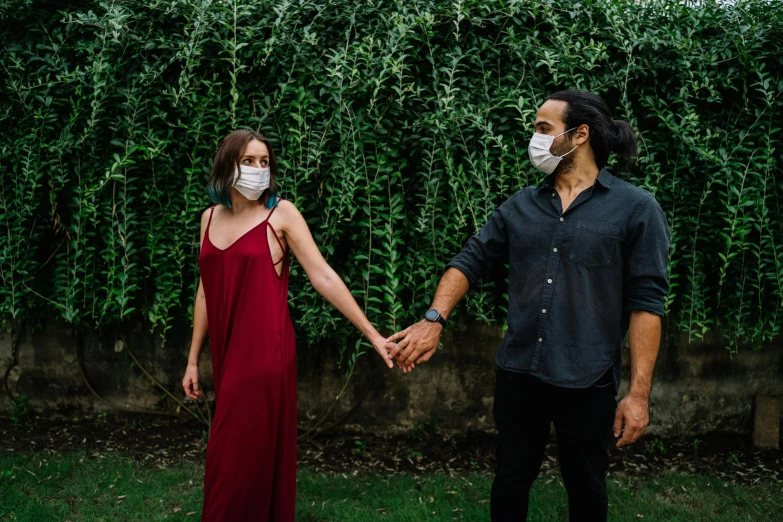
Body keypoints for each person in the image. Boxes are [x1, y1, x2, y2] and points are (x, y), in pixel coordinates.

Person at [389, 90, 670, 522]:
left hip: (588, 378)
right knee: (510, 481)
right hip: (520, 372)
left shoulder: (636, 209)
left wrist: (638, 394)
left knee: (587, 489)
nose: (535, 139)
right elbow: (470, 259)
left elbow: (646, 304)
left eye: (543, 129)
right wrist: (433, 318)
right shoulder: (521, 205)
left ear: (580, 135)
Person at [181, 129, 396, 521]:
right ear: (227, 164)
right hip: (227, 356)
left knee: (228, 458)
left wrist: (373, 334)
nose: (258, 170)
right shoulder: (208, 217)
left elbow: (324, 276)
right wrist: (194, 359)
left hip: (265, 355)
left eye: (265, 162)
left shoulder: (281, 214)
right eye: (249, 161)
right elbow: (205, 293)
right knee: (245, 457)